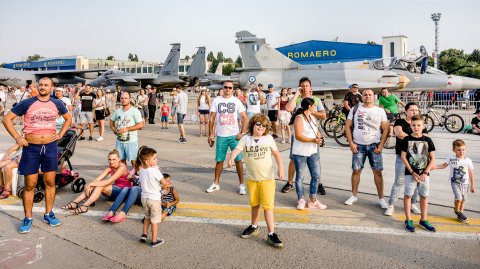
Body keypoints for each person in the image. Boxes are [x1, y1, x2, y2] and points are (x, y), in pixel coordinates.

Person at [2, 77, 72, 234]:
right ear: (37, 86)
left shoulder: (57, 103)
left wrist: (60, 133)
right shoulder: (27, 103)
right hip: (31, 148)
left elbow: (69, 119)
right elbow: (7, 119)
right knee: (30, 184)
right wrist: (18, 138)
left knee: (50, 181)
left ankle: (49, 214)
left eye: (46, 85)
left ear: (52, 87)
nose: (43, 87)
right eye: (40, 84)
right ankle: (27, 218)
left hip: (50, 147)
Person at [228, 114, 284, 248]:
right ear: (252, 125)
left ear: (266, 128)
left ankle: (271, 234)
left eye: (264, 125)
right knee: (254, 204)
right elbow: (237, 149)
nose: (261, 127)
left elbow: (276, 154)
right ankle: (254, 226)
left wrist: (281, 168)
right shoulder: (246, 139)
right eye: (258, 124)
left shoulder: (268, 139)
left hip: (267, 179)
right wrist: (231, 157)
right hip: (252, 179)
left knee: (268, 207)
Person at [344, 89, 389, 208]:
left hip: (374, 146)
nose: (368, 96)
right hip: (358, 146)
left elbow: (386, 128)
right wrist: (351, 143)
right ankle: (353, 195)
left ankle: (381, 199)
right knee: (356, 171)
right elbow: (347, 126)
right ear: (361, 97)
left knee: (378, 172)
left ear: (374, 97)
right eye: (365, 95)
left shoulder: (380, 111)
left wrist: (381, 145)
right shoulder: (355, 109)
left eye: (370, 95)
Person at [282, 77, 327, 195]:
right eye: (302, 86)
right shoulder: (297, 99)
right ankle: (290, 183)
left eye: (307, 85)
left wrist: (312, 112)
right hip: (298, 135)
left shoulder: (316, 100)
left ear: (310, 87)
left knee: (316, 159)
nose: (305, 88)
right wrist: (296, 94)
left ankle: (318, 183)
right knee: (293, 158)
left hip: (313, 135)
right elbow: (288, 109)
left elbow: (323, 115)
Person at [206, 81, 248, 194]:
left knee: (238, 160)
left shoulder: (236, 101)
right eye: (226, 87)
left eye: (230, 87)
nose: (228, 89)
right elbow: (212, 118)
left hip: (234, 136)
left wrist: (242, 132)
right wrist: (211, 134)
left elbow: (245, 117)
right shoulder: (217, 100)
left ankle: (241, 184)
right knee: (219, 160)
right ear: (223, 88)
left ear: (233, 89)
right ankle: (215, 184)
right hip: (221, 136)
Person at [384, 102, 424, 216]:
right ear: (406, 111)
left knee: (416, 181)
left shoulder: (420, 123)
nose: (414, 112)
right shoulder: (400, 121)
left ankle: (413, 204)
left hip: (417, 157)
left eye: (416, 110)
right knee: (399, 181)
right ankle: (391, 205)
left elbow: (426, 137)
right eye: (412, 110)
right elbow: (399, 133)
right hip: (402, 157)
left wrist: (414, 136)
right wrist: (416, 136)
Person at [62, 149, 130, 214]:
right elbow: (97, 179)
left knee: (100, 185)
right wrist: (90, 186)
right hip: (116, 189)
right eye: (109, 159)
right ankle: (75, 202)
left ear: (119, 159)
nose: (111, 161)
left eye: (114, 159)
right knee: (98, 184)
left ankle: (84, 206)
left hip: (124, 192)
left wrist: (91, 184)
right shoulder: (110, 167)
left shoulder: (122, 167)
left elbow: (109, 181)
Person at [401, 115, 436, 232]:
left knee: (424, 196)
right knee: (408, 195)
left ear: (423, 126)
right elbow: (403, 157)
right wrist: (412, 172)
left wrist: (426, 172)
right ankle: (408, 220)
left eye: (419, 125)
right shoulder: (406, 140)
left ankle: (423, 220)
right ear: (410, 126)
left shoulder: (427, 140)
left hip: (424, 174)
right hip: (410, 173)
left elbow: (432, 158)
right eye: (414, 125)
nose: (416, 127)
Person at [290, 98, 327, 210]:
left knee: (316, 176)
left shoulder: (312, 118)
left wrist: (320, 137)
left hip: (312, 152)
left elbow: (316, 130)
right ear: (310, 106)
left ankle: (312, 200)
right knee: (300, 178)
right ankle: (301, 199)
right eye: (314, 106)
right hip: (300, 152)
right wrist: (313, 140)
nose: (315, 108)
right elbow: (298, 136)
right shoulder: (299, 118)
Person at [433, 139, 475, 223]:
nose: (461, 152)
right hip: (455, 182)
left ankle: (461, 215)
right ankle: (457, 210)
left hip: (465, 184)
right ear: (454, 150)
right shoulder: (451, 158)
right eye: (458, 150)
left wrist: (472, 185)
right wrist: (432, 167)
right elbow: (443, 166)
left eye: (463, 149)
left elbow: (471, 173)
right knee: (458, 198)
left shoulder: (468, 160)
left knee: (463, 200)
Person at [102, 147, 146, 223]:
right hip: (134, 194)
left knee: (135, 188)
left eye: (144, 155)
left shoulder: (153, 169)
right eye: (140, 155)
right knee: (126, 188)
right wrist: (130, 178)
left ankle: (123, 213)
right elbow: (131, 177)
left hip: (144, 195)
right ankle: (111, 212)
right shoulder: (136, 167)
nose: (141, 157)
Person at [138, 147, 167, 247]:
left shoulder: (141, 171)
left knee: (147, 216)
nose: (156, 160)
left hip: (144, 198)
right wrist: (165, 187)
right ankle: (154, 240)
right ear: (147, 161)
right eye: (154, 159)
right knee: (155, 220)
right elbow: (164, 183)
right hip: (154, 199)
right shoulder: (155, 171)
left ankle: (144, 234)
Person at [109, 92, 144, 167]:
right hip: (119, 141)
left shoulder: (135, 111)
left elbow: (141, 125)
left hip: (131, 141)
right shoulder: (118, 111)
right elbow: (111, 121)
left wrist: (127, 129)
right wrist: (113, 128)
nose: (124, 100)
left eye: (126, 98)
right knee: (121, 162)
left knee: (134, 162)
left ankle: (135, 177)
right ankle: (124, 177)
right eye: (122, 98)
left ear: (129, 99)